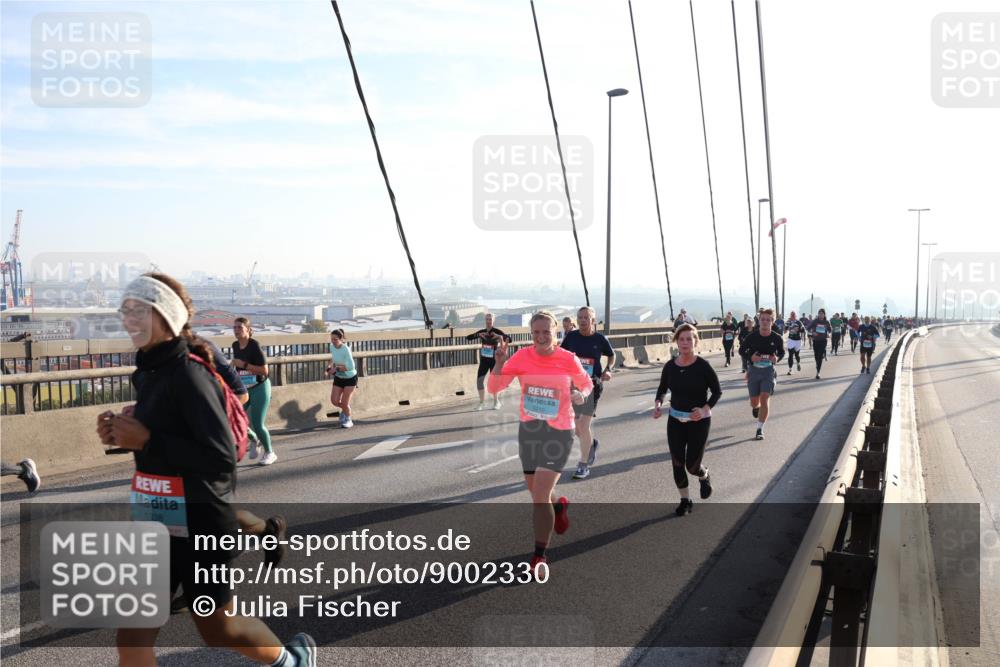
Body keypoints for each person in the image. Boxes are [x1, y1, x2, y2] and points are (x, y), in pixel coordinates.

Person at [98, 273, 316, 667]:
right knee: (132, 637)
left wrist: (147, 439)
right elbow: (166, 431)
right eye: (124, 310)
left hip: (199, 522)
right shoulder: (148, 370)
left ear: (165, 316)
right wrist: (122, 432)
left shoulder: (189, 373)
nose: (127, 319)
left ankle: (293, 662)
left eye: (138, 311)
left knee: (219, 629)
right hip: (158, 518)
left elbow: (220, 457)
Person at [487, 312, 593, 575]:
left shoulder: (567, 358)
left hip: (559, 431)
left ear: (556, 332)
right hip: (530, 430)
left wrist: (581, 394)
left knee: (540, 496)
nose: (541, 337)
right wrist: (499, 363)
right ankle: (558, 506)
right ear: (531, 333)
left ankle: (539, 556)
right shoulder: (521, 357)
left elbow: (586, 383)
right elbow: (494, 388)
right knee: (536, 491)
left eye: (546, 332)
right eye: (536, 332)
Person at [653, 324, 722, 516]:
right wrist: (658, 403)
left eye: (689, 339)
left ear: (696, 342)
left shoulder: (703, 366)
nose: (685, 343)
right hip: (675, 421)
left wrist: (704, 409)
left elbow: (717, 392)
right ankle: (685, 500)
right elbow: (662, 389)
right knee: (677, 462)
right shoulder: (670, 366)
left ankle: (704, 474)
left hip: (699, 422)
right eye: (681, 339)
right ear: (677, 341)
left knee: (692, 466)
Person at [560, 306, 615, 480]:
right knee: (577, 428)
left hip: (592, 386)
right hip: (573, 387)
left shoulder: (600, 339)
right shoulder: (571, 337)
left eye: (586, 317)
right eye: (580, 317)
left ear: (593, 320)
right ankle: (591, 444)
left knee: (583, 426)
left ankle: (583, 465)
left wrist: (608, 369)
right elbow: (561, 355)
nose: (583, 320)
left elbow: (611, 355)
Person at [232, 317, 276, 465]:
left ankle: (270, 453)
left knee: (257, 424)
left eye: (240, 327)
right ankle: (254, 438)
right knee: (234, 418)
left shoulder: (254, 345)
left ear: (248, 330)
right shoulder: (235, 345)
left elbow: (265, 371)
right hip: (244, 388)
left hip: (260, 387)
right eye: (234, 327)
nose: (236, 330)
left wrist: (243, 364)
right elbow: (238, 369)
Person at [738, 308, 784, 441]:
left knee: (764, 398)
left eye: (768, 320)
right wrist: (750, 357)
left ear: (772, 322)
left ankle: (760, 429)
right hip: (753, 371)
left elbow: (781, 352)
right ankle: (756, 408)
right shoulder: (752, 337)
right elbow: (741, 350)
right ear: (759, 321)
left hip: (768, 371)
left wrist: (777, 358)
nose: (765, 322)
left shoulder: (777, 338)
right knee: (754, 402)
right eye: (762, 319)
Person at [465, 314, 510, 410]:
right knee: (479, 381)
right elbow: (468, 338)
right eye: (487, 319)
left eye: (490, 319)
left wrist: (499, 337)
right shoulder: (482, 332)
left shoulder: (497, 331)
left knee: (494, 381)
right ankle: (481, 403)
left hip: (494, 360)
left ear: (493, 320)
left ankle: (496, 402)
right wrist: (478, 335)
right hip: (484, 360)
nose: (488, 321)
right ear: (485, 320)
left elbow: (509, 339)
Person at [325, 328, 358, 427]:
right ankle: (346, 408)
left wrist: (336, 369)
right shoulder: (332, 347)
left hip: (350, 378)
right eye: (332, 339)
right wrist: (329, 367)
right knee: (334, 401)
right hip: (339, 377)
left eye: (335, 339)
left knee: (344, 402)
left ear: (341, 339)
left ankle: (348, 420)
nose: (333, 341)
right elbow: (333, 357)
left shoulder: (345, 349)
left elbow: (351, 367)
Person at [808, 309, 832, 379]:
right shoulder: (815, 321)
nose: (821, 315)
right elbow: (808, 328)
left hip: (823, 341)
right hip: (816, 340)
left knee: (820, 356)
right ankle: (817, 364)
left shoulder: (826, 322)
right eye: (819, 313)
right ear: (818, 314)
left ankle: (818, 372)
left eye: (822, 314)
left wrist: (828, 334)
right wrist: (812, 333)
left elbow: (830, 330)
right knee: (816, 356)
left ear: (824, 315)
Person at [784, 310, 804, 375]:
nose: (792, 316)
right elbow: (785, 330)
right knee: (790, 355)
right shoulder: (788, 322)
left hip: (798, 340)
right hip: (791, 340)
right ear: (790, 315)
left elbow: (803, 330)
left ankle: (798, 363)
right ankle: (790, 369)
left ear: (795, 316)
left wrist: (800, 331)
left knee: (796, 355)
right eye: (791, 315)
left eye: (793, 315)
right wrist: (786, 329)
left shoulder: (799, 322)